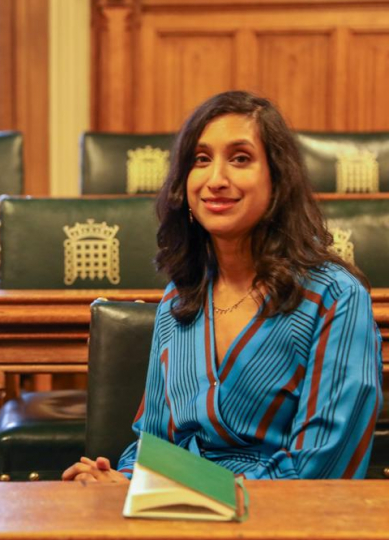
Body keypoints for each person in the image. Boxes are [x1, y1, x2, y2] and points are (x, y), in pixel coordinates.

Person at [63, 90, 383, 482]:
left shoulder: (335, 297)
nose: (216, 179)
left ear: (277, 179)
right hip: (175, 512)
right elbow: (156, 445)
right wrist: (119, 480)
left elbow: (320, 468)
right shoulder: (178, 299)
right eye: (201, 160)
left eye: (240, 158)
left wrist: (191, 491)